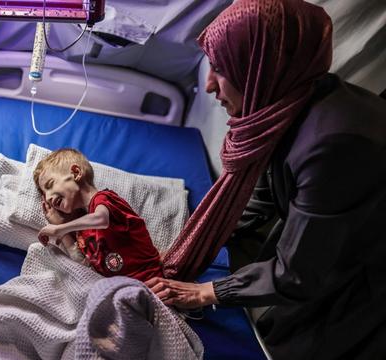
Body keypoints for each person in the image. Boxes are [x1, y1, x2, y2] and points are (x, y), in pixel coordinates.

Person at [146, 0, 386, 359]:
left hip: (364, 277)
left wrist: (205, 293)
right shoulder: (286, 102)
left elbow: (298, 274)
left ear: (259, 68)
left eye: (221, 69)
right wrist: (191, 234)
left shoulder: (333, 147)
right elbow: (256, 194)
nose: (209, 85)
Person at [33, 148, 163, 282]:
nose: (48, 197)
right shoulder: (83, 233)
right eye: (45, 193)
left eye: (50, 185)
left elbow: (102, 219)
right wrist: (62, 230)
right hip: (125, 289)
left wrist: (60, 229)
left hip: (152, 279)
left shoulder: (104, 199)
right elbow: (83, 266)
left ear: (76, 173)